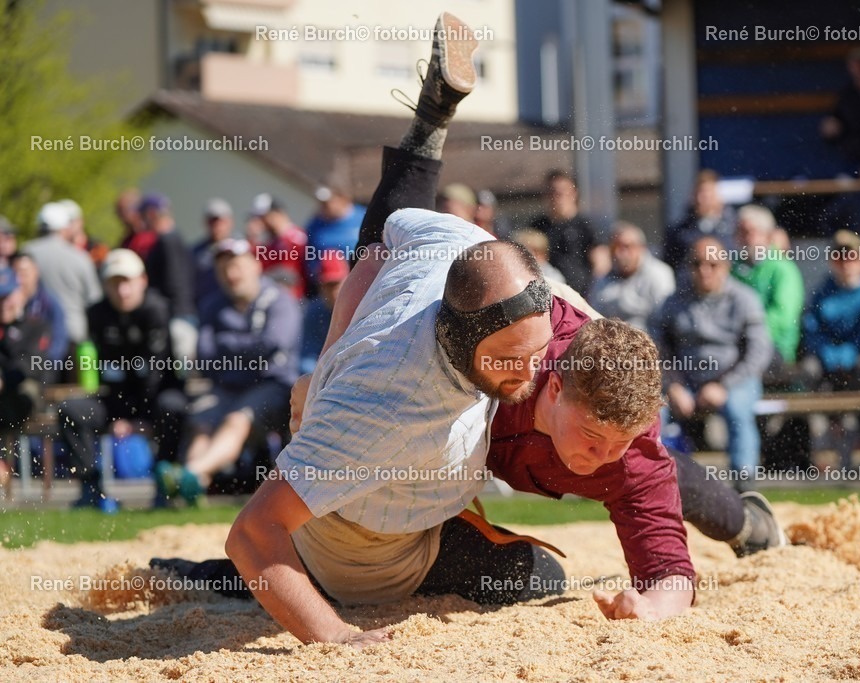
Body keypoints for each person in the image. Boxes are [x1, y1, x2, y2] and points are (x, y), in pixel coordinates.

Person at [153, 15, 568, 647]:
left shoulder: (457, 245)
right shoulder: (382, 403)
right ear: (460, 339)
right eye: (512, 359)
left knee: (537, 576)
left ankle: (429, 122)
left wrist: (328, 358)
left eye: (535, 352)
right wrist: (337, 638)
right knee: (523, 578)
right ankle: (219, 579)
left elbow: (376, 247)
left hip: (415, 508)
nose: (531, 371)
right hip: (363, 548)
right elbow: (252, 531)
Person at [157, 238, 302, 504]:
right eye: (223, 268)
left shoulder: (280, 300)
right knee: (202, 422)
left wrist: (228, 344)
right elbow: (205, 354)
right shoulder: (213, 305)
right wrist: (248, 347)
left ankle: (188, 473)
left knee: (236, 419)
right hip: (226, 387)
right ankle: (194, 487)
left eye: (236, 265)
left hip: (273, 386)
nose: (230, 274)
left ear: (255, 265)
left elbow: (273, 343)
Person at [58, 249, 187, 510]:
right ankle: (90, 487)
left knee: (173, 407)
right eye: (115, 284)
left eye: (127, 282)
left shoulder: (157, 310)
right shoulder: (96, 314)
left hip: (155, 397)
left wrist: (132, 420)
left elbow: (155, 371)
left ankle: (166, 485)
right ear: (105, 285)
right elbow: (105, 369)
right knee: (72, 410)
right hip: (115, 399)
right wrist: (120, 414)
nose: (122, 291)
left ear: (142, 281)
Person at [652, 236, 773, 487]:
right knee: (651, 412)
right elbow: (659, 349)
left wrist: (724, 385)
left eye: (712, 264)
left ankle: (744, 484)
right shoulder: (674, 301)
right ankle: (654, 481)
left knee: (738, 410)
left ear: (726, 266)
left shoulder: (744, 299)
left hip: (735, 381)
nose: (704, 270)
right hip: (684, 382)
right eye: (697, 264)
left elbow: (758, 353)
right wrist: (673, 385)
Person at [800, 231, 860, 469]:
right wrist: (828, 354)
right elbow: (812, 329)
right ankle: (819, 438)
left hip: (859, 368)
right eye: (839, 257)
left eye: (851, 257)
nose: (845, 263)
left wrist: (847, 355)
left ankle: (855, 439)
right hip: (826, 365)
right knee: (808, 371)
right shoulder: (822, 292)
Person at [731, 205, 804, 379]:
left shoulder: (783, 269)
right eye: (740, 232)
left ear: (768, 235)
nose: (745, 238)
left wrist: (748, 334)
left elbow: (783, 317)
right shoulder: (731, 269)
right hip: (737, 345)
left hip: (774, 347)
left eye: (750, 231)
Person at [22, 202, 102, 346]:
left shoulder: (26, 253)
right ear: (64, 229)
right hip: (74, 333)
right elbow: (94, 298)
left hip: (34, 334)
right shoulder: (80, 257)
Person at [0, 266, 54, 457]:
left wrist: (4, 380)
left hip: (24, 392)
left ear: (21, 295)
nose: (3, 304)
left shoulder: (36, 326)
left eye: (7, 298)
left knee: (25, 392)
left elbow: (30, 364)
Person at [139, 193, 198, 362]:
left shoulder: (167, 241)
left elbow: (175, 282)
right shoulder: (173, 238)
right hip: (180, 314)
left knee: (180, 372)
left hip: (176, 317)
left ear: (151, 214)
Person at [588, 221, 674, 333]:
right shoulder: (602, 278)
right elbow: (593, 318)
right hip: (610, 343)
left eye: (626, 247)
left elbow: (664, 321)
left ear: (641, 248)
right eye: (615, 247)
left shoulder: (659, 274)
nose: (620, 253)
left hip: (649, 342)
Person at [530, 170, 604, 296]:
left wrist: (592, 295)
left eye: (562, 192)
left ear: (574, 193)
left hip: (581, 296)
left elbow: (601, 265)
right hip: (548, 296)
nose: (556, 197)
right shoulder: (537, 227)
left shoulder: (587, 226)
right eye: (552, 192)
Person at [662, 170, 737, 273]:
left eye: (707, 195)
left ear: (718, 197)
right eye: (698, 193)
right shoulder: (679, 233)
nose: (700, 200)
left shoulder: (734, 229)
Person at [10, 252, 68, 361]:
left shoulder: (50, 303)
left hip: (40, 367)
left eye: (24, 274)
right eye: (15, 274)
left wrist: (43, 365)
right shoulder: (7, 302)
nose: (19, 280)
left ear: (36, 272)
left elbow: (59, 342)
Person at [250, 194, 309, 300]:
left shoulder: (296, 239)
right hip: (272, 297)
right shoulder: (269, 243)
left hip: (292, 299)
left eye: (265, 217)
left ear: (278, 214)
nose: (262, 222)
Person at [299, 252, 349, 374]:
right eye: (327, 286)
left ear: (348, 280)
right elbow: (307, 357)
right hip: (324, 376)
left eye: (336, 284)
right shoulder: (314, 312)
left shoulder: (362, 306)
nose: (332, 292)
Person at [306, 183, 366, 271]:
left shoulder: (363, 217)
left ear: (342, 198)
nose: (323, 206)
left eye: (328, 202)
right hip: (328, 279)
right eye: (321, 203)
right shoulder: (314, 225)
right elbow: (309, 258)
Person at [193, 198, 235, 309]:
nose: (217, 226)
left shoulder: (241, 249)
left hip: (232, 308)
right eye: (213, 221)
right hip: (203, 308)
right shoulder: (196, 252)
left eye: (221, 221)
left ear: (230, 222)